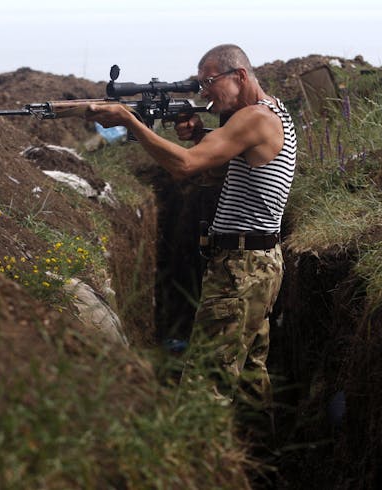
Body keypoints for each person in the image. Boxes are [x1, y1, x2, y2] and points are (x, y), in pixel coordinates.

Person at [86, 44, 296, 407]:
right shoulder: (271, 112)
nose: (204, 93)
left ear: (240, 76)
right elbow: (219, 170)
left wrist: (129, 121)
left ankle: (188, 462)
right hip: (258, 262)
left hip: (242, 267)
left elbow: (185, 166)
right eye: (199, 85)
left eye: (209, 82)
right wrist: (200, 135)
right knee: (248, 378)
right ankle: (259, 459)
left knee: (204, 386)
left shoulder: (255, 118)